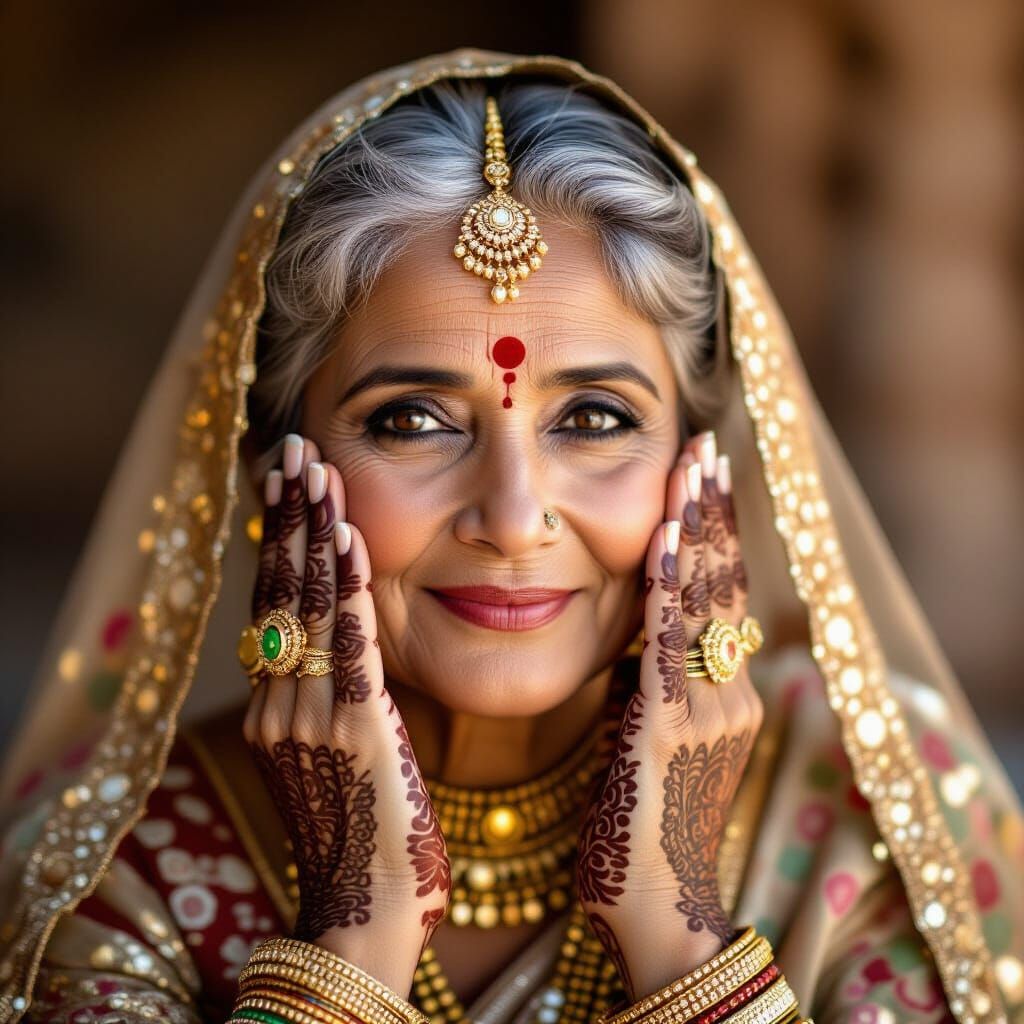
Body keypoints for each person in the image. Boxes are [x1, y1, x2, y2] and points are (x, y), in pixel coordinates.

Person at [0, 49, 1020, 1024]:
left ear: (704, 468)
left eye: (594, 419)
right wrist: (352, 937)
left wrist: (680, 933)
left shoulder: (871, 806)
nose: (513, 516)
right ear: (276, 466)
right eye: (412, 421)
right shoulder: (124, 864)